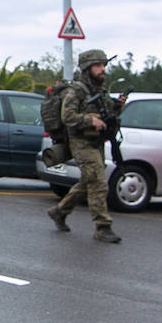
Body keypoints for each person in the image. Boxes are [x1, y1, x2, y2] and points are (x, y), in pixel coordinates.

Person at [47, 48, 123, 244]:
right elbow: (68, 117)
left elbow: (105, 111)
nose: (102, 69)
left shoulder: (100, 91)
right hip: (80, 141)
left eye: (103, 65)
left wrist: (117, 106)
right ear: (87, 68)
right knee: (98, 181)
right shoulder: (76, 91)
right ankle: (102, 226)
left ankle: (59, 211)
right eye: (97, 66)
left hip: (96, 141)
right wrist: (90, 121)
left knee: (89, 180)